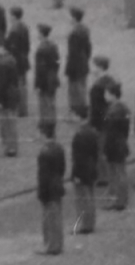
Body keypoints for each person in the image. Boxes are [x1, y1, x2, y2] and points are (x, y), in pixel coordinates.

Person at [36, 122, 67, 256]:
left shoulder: (44, 152)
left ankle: (51, 245)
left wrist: (41, 192)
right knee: (57, 217)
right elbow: (62, 168)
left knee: (49, 219)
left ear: (43, 134)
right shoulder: (59, 148)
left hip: (48, 189)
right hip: (57, 184)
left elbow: (43, 176)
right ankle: (58, 243)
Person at [69, 109, 100, 234]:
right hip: (91, 167)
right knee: (90, 197)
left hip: (82, 170)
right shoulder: (92, 132)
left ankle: (84, 225)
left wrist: (76, 174)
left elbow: (78, 158)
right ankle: (90, 223)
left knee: (82, 199)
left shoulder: (79, 135)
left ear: (79, 117)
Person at [102, 82, 131, 211]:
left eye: (106, 93)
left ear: (112, 95)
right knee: (121, 172)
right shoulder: (123, 108)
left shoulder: (113, 111)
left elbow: (110, 132)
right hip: (121, 143)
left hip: (114, 145)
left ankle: (118, 200)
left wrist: (105, 149)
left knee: (115, 174)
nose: (105, 96)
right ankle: (122, 199)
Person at [33, 24, 60, 139]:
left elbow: (40, 69)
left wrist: (37, 84)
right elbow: (57, 62)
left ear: (41, 34)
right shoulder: (53, 45)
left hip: (44, 82)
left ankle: (46, 131)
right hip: (53, 79)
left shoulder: (41, 49)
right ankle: (51, 130)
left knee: (44, 107)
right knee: (51, 105)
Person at [65, 7, 91, 119]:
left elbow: (73, 53)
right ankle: (82, 112)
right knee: (82, 88)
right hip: (83, 62)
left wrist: (70, 68)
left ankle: (77, 113)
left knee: (75, 90)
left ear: (74, 18)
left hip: (75, 65)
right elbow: (88, 48)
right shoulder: (85, 30)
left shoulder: (74, 33)